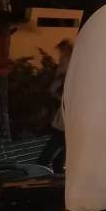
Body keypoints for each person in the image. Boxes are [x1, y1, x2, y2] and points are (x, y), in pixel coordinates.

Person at [38, 39, 73, 172]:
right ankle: (55, 168)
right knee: (63, 144)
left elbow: (55, 87)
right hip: (67, 118)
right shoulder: (71, 60)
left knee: (59, 143)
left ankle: (45, 167)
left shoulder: (69, 61)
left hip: (66, 119)